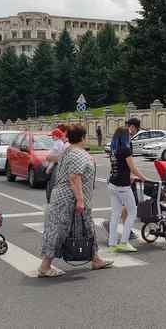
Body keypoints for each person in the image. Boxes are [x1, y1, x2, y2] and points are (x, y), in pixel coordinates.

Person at [38, 124, 113, 277]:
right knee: (58, 230)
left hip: (69, 197)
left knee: (87, 228)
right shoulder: (77, 154)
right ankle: (45, 266)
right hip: (68, 199)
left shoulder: (69, 150)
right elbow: (74, 178)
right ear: (83, 138)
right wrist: (80, 200)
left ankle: (96, 259)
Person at [107, 127, 148, 252]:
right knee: (132, 212)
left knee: (115, 214)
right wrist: (144, 179)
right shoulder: (125, 149)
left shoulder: (113, 149)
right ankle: (124, 242)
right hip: (122, 186)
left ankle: (112, 244)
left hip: (112, 184)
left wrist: (130, 176)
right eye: (129, 134)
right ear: (125, 136)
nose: (131, 136)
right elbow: (133, 168)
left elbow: (118, 167)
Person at [101, 118, 141, 240]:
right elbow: (129, 163)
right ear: (133, 127)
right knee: (131, 204)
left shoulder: (116, 142)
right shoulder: (126, 144)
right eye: (137, 129)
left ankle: (121, 228)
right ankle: (123, 230)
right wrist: (135, 176)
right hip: (125, 180)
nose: (135, 132)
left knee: (122, 205)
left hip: (115, 178)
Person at [45, 125, 69, 204]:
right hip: (56, 174)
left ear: (65, 133)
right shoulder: (62, 143)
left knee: (53, 191)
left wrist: (49, 157)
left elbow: (62, 158)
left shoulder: (66, 145)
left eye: (60, 133)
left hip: (60, 176)